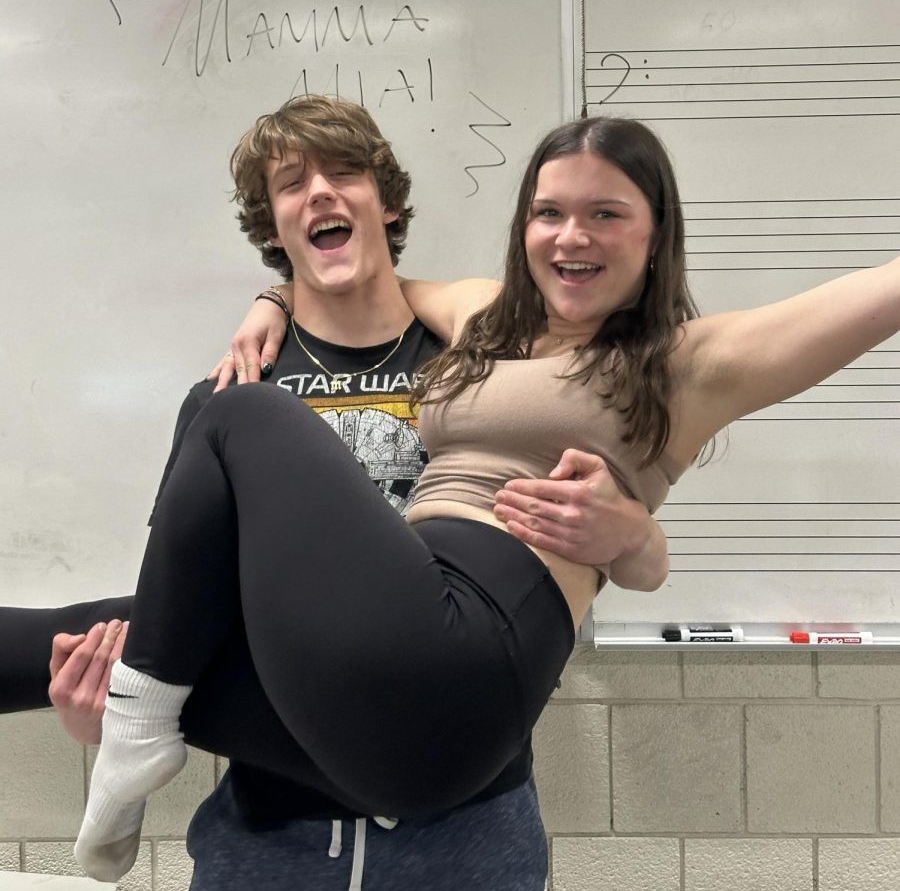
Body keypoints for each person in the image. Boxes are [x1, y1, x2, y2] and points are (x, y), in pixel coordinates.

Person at [74, 106, 900, 882]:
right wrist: (276, 296)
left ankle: (139, 725)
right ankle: (135, 720)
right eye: (549, 213)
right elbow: (193, 592)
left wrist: (636, 541)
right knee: (75, 627)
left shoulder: (684, 362)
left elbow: (869, 300)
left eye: (607, 214)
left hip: (462, 763)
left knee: (245, 418)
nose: (572, 235)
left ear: (657, 235)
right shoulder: (481, 327)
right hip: (277, 823)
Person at [2, 96, 661, 891]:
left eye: (344, 172)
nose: (319, 192)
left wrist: (633, 533)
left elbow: (606, 551)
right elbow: (184, 617)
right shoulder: (227, 396)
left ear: (386, 201)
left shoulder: (490, 375)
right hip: (271, 843)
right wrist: (97, 712)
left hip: (466, 832)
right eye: (290, 184)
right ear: (270, 227)